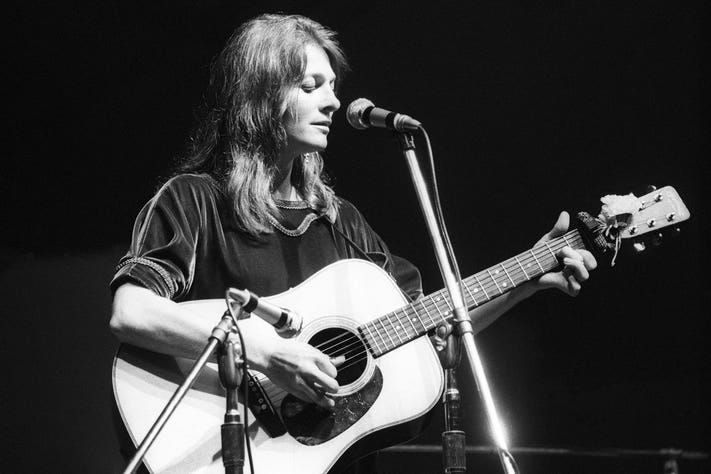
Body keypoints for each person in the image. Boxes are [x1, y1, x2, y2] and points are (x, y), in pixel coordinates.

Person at [109, 13, 596, 473]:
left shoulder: (340, 221)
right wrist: (264, 353)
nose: (333, 103)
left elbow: (429, 328)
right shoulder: (196, 200)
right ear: (261, 95)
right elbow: (130, 312)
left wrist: (529, 276)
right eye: (310, 86)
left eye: (333, 88)